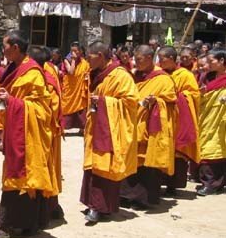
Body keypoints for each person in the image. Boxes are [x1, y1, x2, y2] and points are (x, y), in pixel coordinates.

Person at [0, 31, 54, 238]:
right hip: (15, 128)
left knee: (22, 176)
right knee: (13, 172)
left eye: (5, 45)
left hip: (28, 135)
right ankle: (20, 224)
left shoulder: (33, 72)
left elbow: (42, 108)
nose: (3, 49)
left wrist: (12, 101)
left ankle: (15, 225)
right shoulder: (14, 68)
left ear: (16, 48)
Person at [81, 42, 138, 223]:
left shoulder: (120, 75)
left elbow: (131, 102)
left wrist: (105, 101)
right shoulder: (98, 74)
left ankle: (100, 208)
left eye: (89, 56)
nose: (87, 60)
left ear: (100, 55)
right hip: (97, 125)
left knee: (104, 166)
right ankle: (92, 203)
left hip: (111, 129)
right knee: (93, 164)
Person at [120, 45, 177, 209]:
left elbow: (172, 100)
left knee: (146, 162)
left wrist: (156, 101)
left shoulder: (163, 78)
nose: (136, 63)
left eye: (139, 59)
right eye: (135, 59)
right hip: (132, 123)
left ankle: (142, 199)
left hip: (150, 127)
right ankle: (125, 195)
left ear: (149, 58)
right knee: (130, 159)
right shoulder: (135, 75)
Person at [157, 46, 200, 196]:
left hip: (178, 118)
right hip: (162, 117)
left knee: (177, 153)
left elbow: (194, 95)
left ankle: (172, 186)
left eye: (163, 59)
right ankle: (159, 183)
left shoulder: (185, 75)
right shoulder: (158, 74)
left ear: (171, 59)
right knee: (161, 149)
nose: (160, 62)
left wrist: (180, 96)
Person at [29, 46, 64, 222]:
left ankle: (47, 209)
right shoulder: (41, 75)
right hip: (42, 131)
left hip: (46, 133)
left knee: (44, 168)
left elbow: (52, 109)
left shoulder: (46, 80)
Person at [196, 48, 226, 196]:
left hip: (222, 120)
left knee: (216, 148)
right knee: (207, 146)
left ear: (221, 61)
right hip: (207, 117)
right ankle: (210, 183)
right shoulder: (207, 77)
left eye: (211, 61)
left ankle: (212, 184)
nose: (208, 64)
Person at [61, 42, 89, 132]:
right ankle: (63, 127)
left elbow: (87, 70)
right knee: (65, 106)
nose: (73, 53)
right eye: (71, 50)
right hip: (70, 88)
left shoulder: (84, 62)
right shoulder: (67, 60)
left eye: (75, 51)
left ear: (80, 51)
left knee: (81, 106)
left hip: (79, 89)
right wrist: (73, 60)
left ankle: (82, 128)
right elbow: (71, 72)